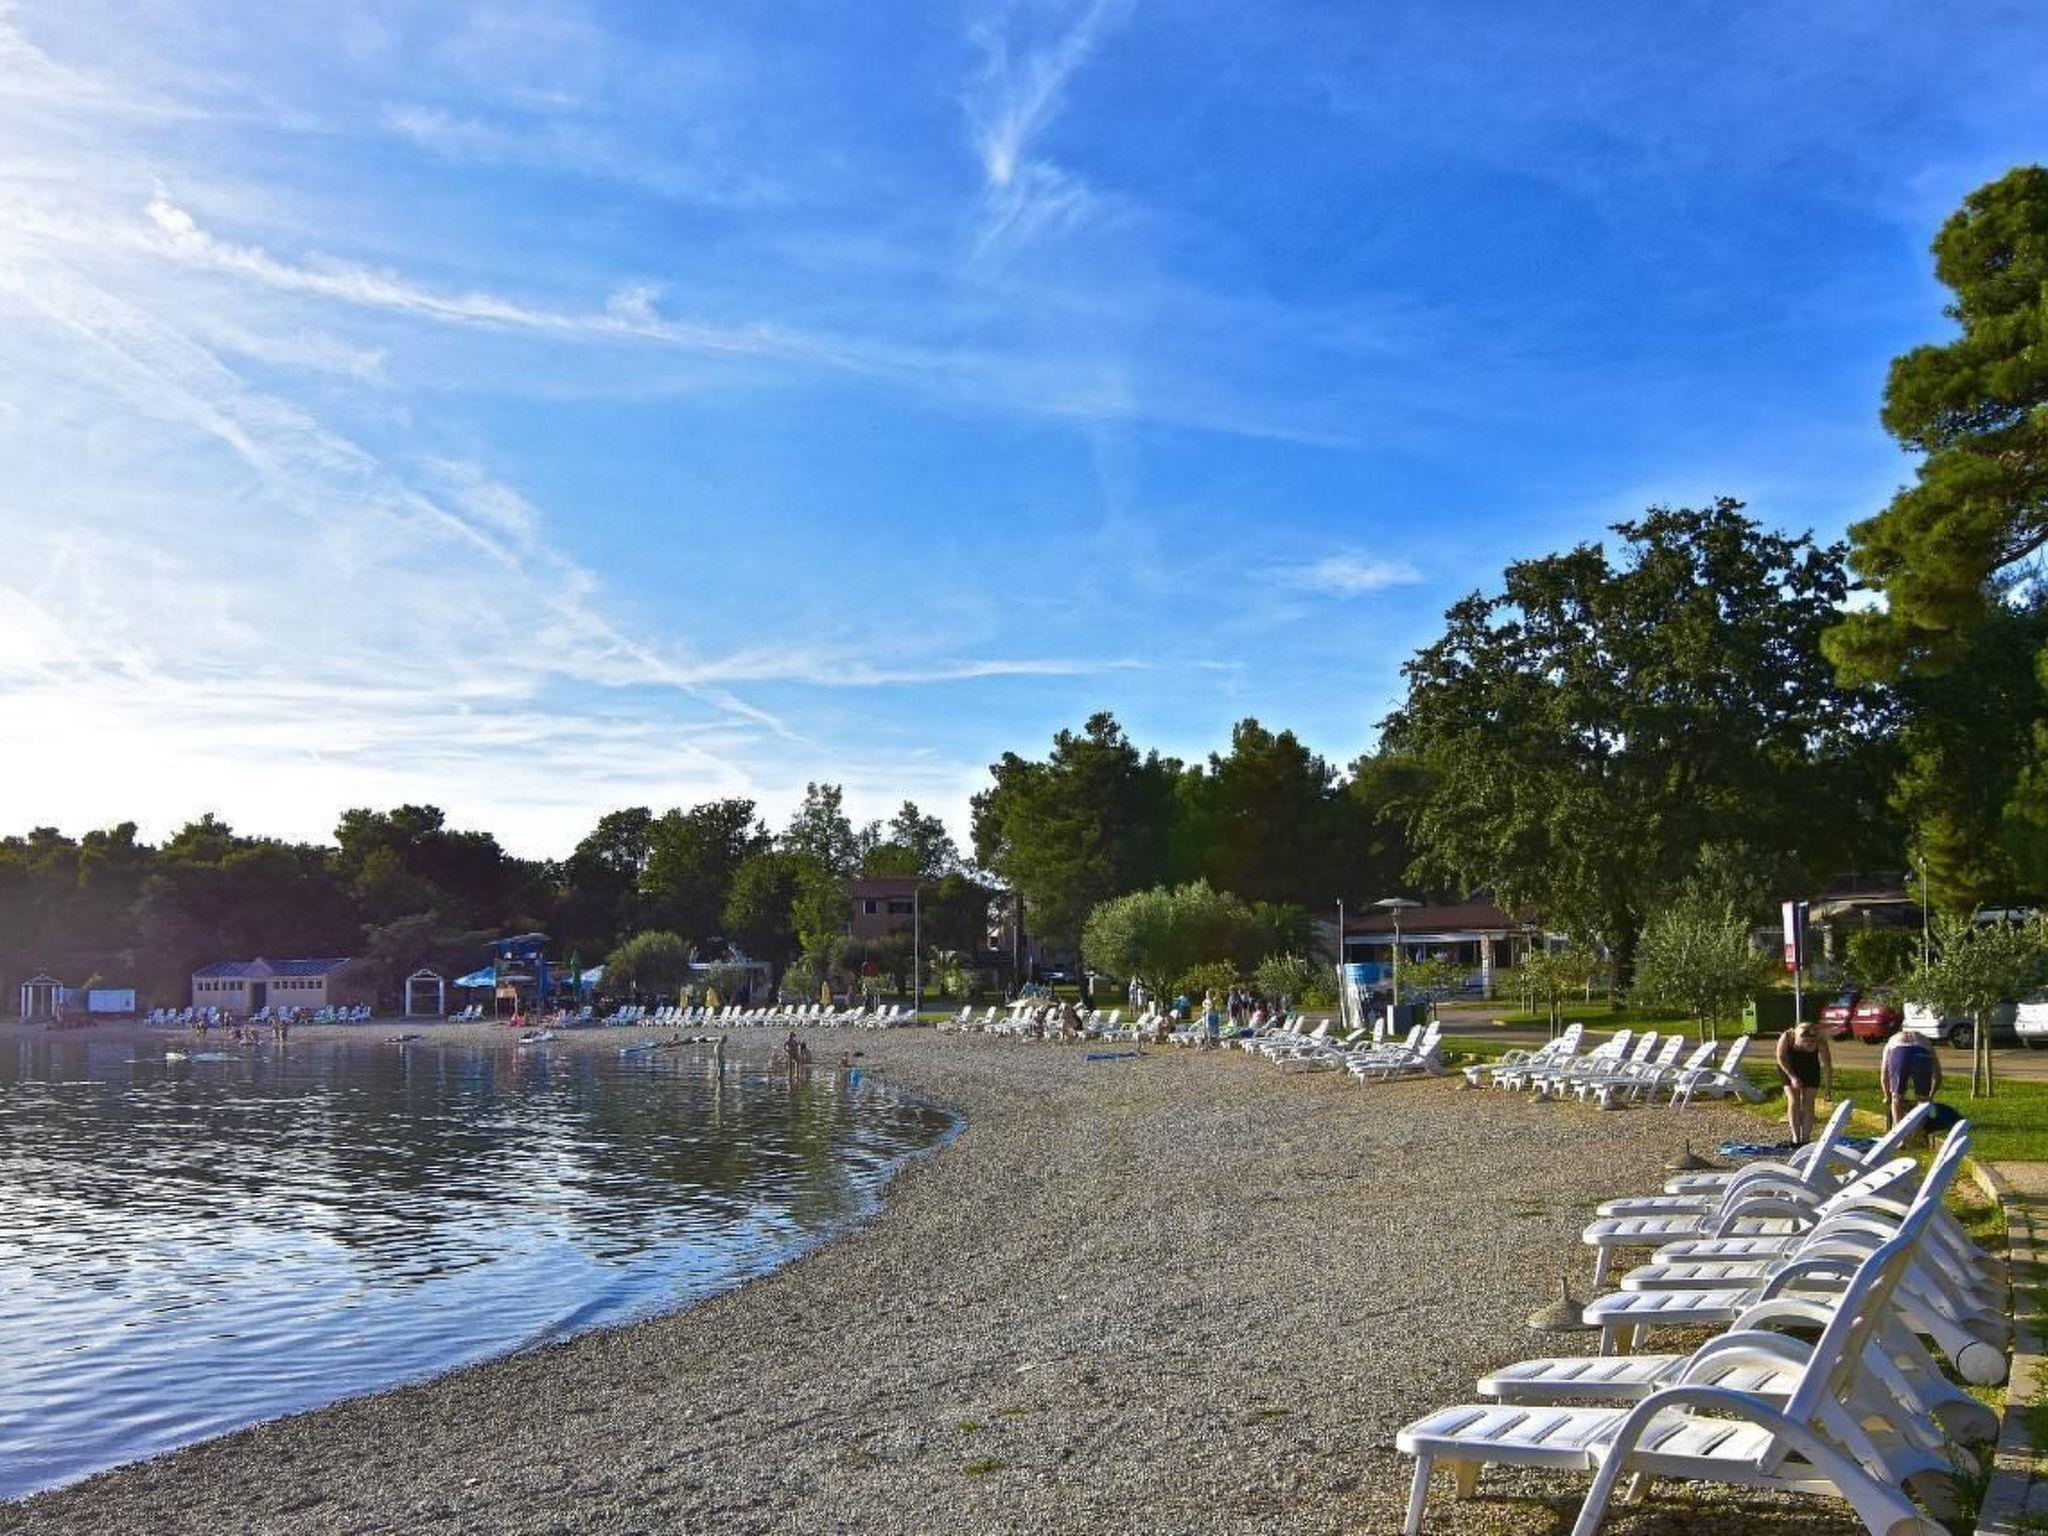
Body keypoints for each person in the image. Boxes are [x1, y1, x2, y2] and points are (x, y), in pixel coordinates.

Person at [1774, 1018, 1833, 1144]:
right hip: (1789, 1066)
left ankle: (1806, 1138)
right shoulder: (1787, 1037)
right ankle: (1796, 1137)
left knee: (1808, 1101)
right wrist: (1792, 1077)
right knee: (1793, 1099)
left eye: (1811, 1041)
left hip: (1810, 1067)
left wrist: (1828, 1088)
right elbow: (1780, 1058)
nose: (1809, 1043)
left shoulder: (1820, 1041)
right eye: (1805, 1040)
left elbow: (1827, 1065)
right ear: (1797, 1036)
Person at [1880, 1027, 1942, 1136]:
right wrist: (1930, 1096)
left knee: (1897, 1097)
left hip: (1899, 1052)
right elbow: (1938, 1075)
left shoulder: (1892, 1040)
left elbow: (1884, 1073)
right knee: (1922, 1099)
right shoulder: (1925, 1040)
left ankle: (1898, 1135)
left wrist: (1887, 1096)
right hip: (1922, 1053)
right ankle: (1919, 1132)